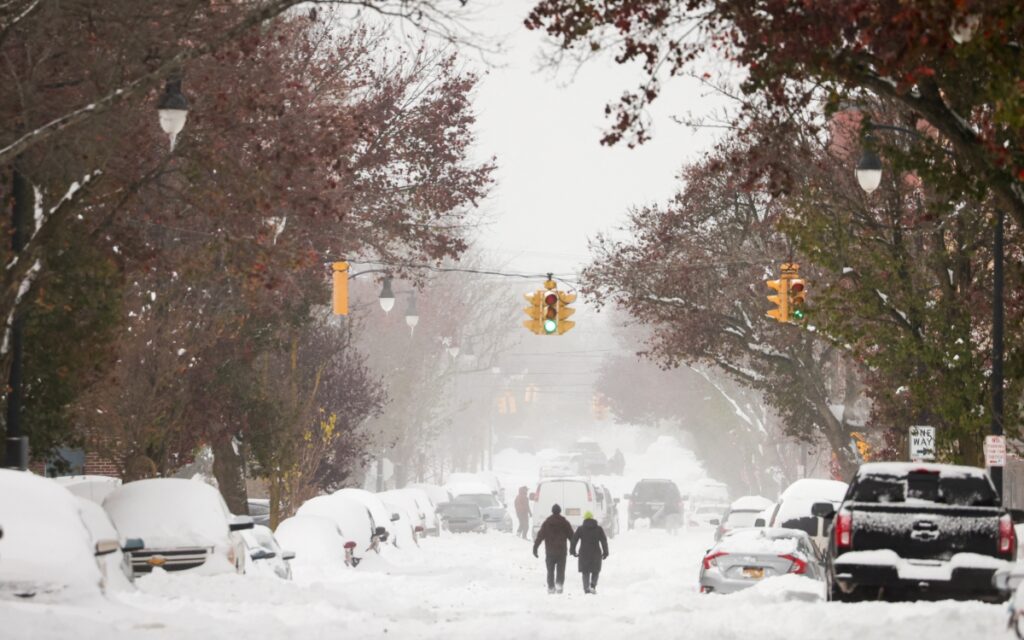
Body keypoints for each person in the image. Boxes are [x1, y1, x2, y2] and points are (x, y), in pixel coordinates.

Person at [533, 503, 574, 593]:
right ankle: (559, 584)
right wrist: (573, 548)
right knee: (561, 569)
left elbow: (540, 536)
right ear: (560, 511)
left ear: (552, 511)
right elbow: (572, 536)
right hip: (561, 551)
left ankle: (551, 587)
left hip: (550, 551)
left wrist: (535, 548)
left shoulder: (547, 522)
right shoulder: (564, 522)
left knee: (550, 570)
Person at [571, 511, 609, 594]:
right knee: (595, 571)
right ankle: (593, 585)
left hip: (584, 554)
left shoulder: (580, 529)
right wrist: (605, 552)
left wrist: (572, 551)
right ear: (592, 518)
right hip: (596, 553)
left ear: (584, 519)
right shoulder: (598, 529)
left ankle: (586, 589)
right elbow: (603, 541)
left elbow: (574, 540)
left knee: (585, 572)